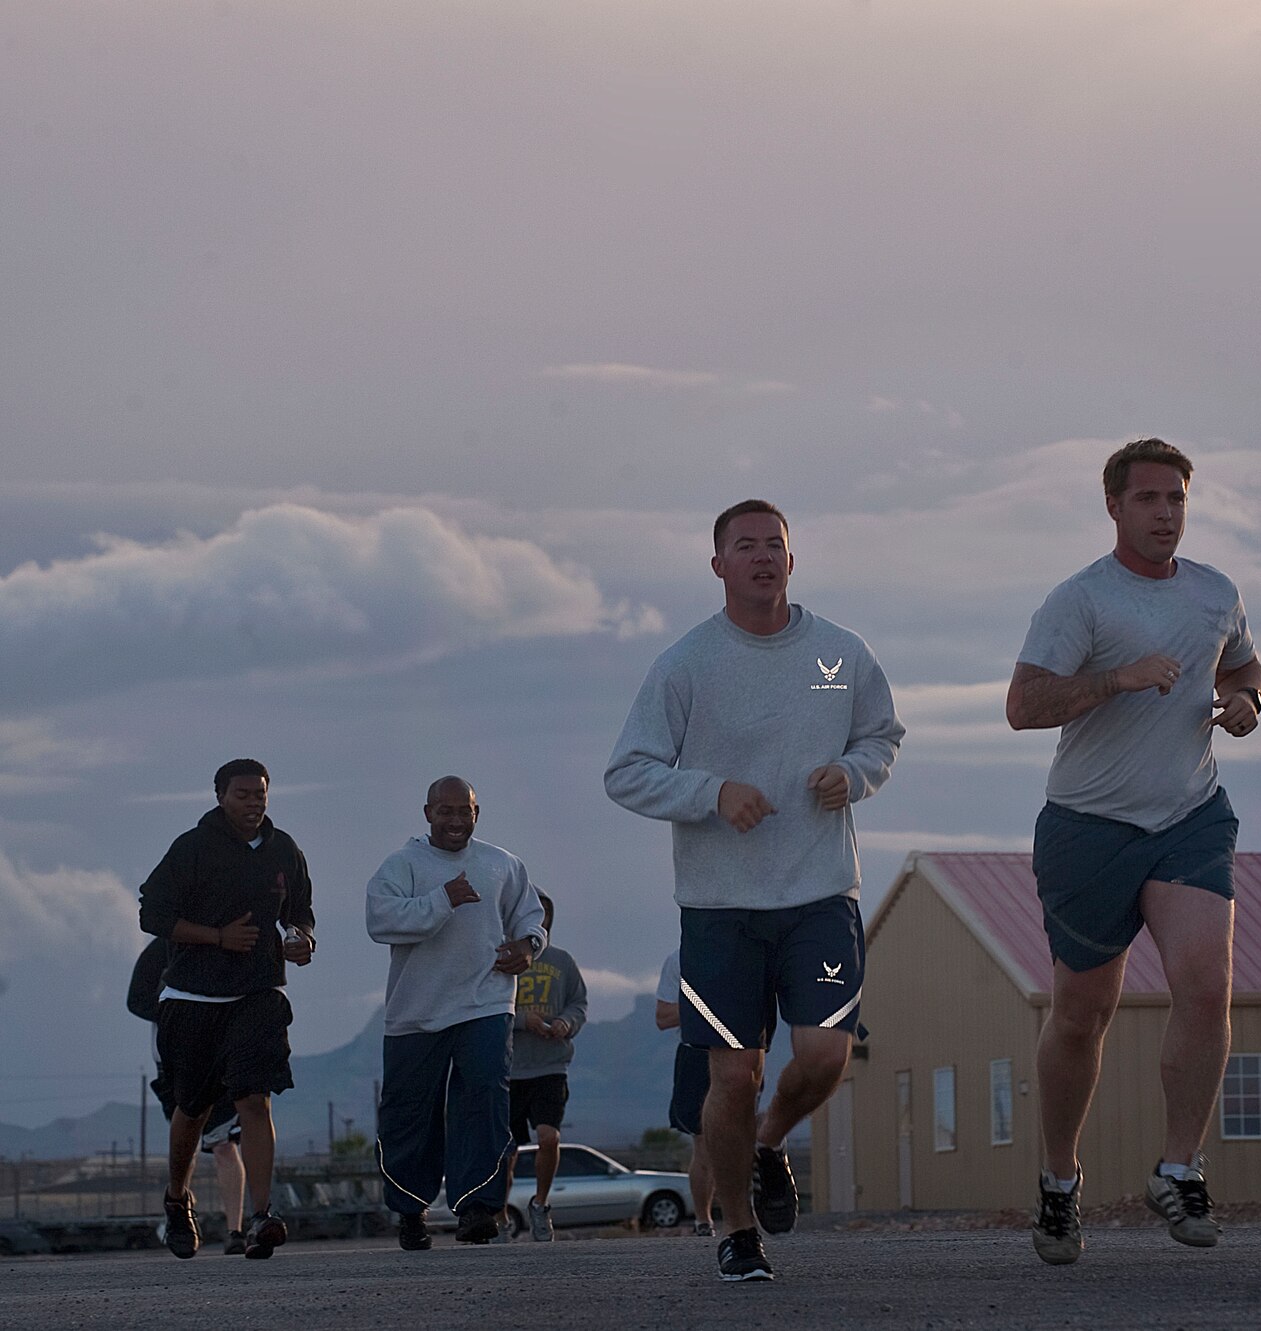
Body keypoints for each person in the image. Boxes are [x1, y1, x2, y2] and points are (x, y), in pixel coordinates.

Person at [606, 499, 904, 1282]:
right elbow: (627, 771)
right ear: (718, 565)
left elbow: (883, 734)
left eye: (775, 544)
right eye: (746, 546)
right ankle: (738, 1230)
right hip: (720, 907)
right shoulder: (686, 663)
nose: (763, 556)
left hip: (819, 892)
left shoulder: (840, 652)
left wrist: (855, 772)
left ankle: (770, 1141)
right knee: (733, 1073)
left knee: (824, 1055)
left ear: (792, 560)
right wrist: (711, 793)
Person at [1005, 438, 1261, 1266]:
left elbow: (1250, 668)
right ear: (1114, 506)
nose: (1164, 514)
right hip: (1089, 826)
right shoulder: (1081, 599)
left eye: (1177, 499)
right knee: (1083, 1013)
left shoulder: (1216, 593)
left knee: (1206, 984)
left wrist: (1246, 700)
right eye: (1148, 499)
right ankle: (1058, 1181)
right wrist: (1112, 680)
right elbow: (1022, 704)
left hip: (1190, 814)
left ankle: (1179, 1167)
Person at [137, 758, 316, 1261]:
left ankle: (262, 1217)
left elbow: (299, 912)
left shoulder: (284, 850)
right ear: (220, 796)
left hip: (259, 994)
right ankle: (178, 1200)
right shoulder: (192, 849)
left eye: (261, 794)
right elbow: (153, 914)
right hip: (193, 998)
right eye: (243, 794)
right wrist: (217, 937)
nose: (254, 803)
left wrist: (301, 939)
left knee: (255, 1101)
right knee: (191, 1110)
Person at [366, 775, 547, 1251]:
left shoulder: (501, 864)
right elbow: (380, 921)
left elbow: (531, 915)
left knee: (484, 1095)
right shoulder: (402, 865)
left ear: (476, 813)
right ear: (427, 814)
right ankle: (411, 1209)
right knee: (409, 1113)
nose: (454, 821)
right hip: (416, 1011)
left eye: (462, 811)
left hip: (485, 1002)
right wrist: (443, 898)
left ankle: (476, 1208)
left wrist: (528, 947)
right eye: (444, 811)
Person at [127, 936, 249, 1254]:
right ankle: (180, 1204)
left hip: (222, 1058)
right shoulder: (160, 949)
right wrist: (181, 1013)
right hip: (173, 1062)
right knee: (187, 1141)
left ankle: (235, 1230)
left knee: (224, 1144)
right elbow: (137, 999)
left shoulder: (229, 943)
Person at [504, 889, 588, 1242]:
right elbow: (484, 1010)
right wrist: (524, 1021)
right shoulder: (503, 958)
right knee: (504, 1148)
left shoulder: (562, 961)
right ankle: (499, 1212)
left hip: (550, 1066)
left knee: (548, 1136)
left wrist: (567, 1024)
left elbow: (578, 1004)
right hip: (508, 1069)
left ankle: (540, 1204)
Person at [655, 948, 716, 1237]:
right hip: (695, 1055)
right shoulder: (679, 959)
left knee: (733, 1138)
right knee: (702, 1141)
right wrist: (704, 1004)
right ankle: (704, 1220)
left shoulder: (741, 951)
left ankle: (743, 1215)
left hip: (736, 1050)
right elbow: (663, 1017)